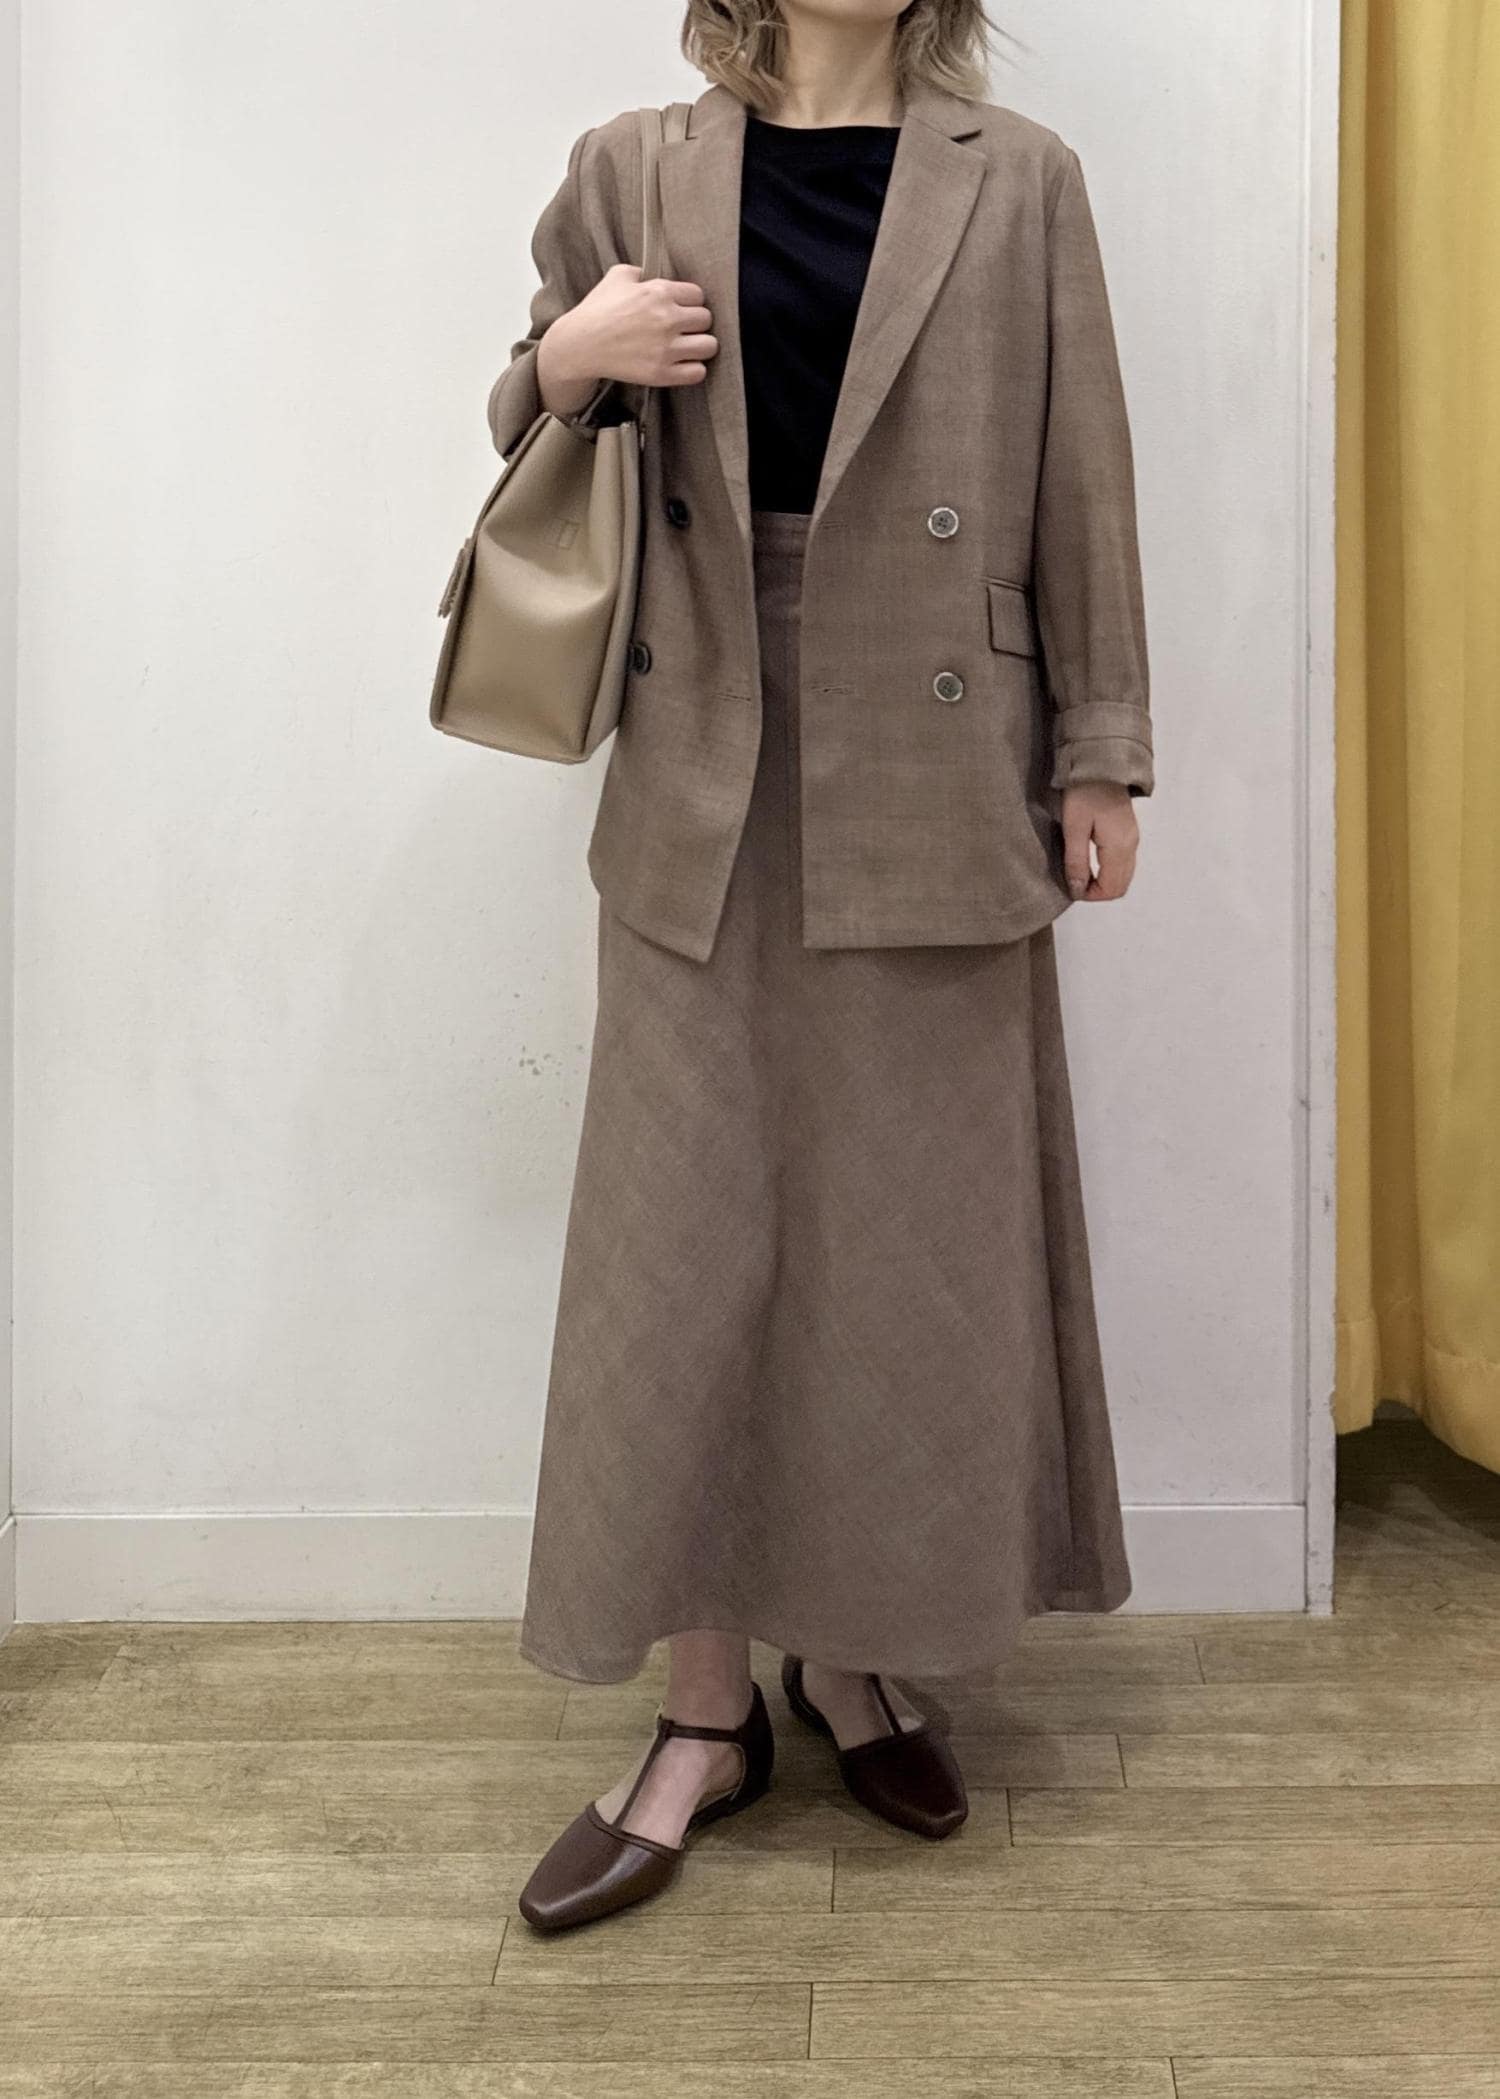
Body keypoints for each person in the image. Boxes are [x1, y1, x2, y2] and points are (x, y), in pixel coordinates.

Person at [483, 0, 1152, 1934]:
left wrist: (1100, 749)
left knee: (901, 1254)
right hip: (706, 751)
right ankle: (705, 1715)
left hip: (939, 761)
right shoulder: (634, 163)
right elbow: (518, 422)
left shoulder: (1021, 181)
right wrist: (571, 358)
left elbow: (1083, 475)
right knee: (683, 1253)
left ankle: (853, 1660)